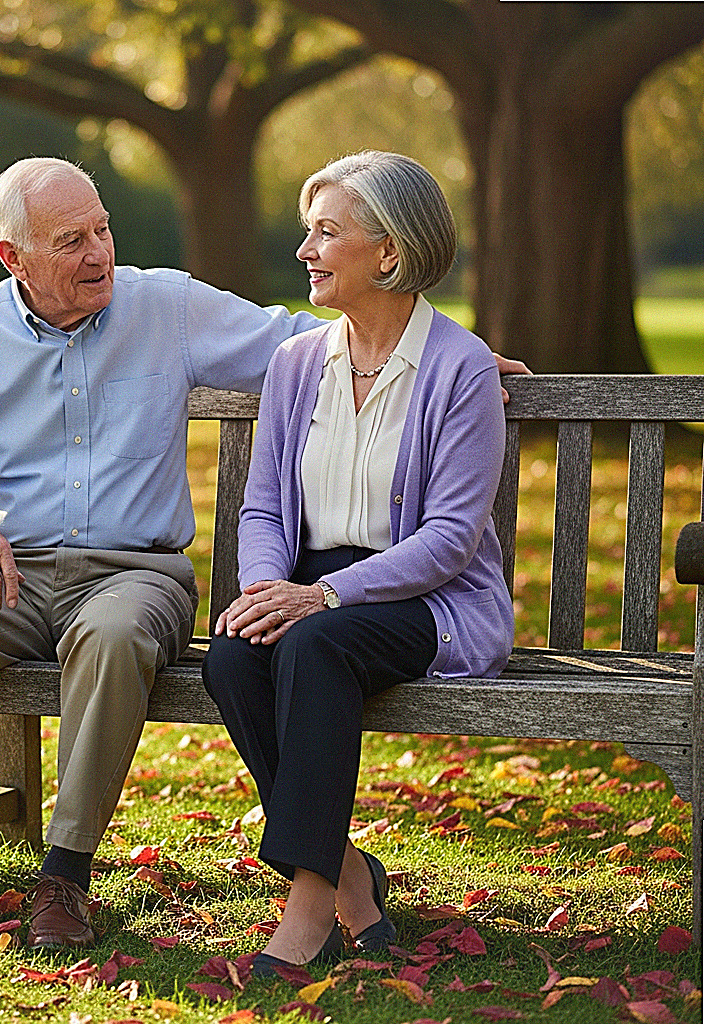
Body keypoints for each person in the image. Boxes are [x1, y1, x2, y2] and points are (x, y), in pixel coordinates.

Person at [0, 156, 527, 949]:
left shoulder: (167, 307)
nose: (99, 254)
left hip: (133, 575)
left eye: (103, 230)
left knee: (118, 638)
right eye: (72, 241)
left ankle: (64, 880)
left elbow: (312, 334)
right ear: (15, 258)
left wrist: (455, 352)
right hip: (9, 571)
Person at [201, 150, 515, 978]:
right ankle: (347, 874)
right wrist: (272, 589)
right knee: (235, 652)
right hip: (313, 584)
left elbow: (450, 540)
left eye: (326, 231)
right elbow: (263, 508)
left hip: (429, 597)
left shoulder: (460, 369)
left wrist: (324, 596)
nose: (306, 249)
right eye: (310, 231)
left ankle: (308, 906)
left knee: (313, 644)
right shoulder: (298, 363)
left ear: (391, 251)